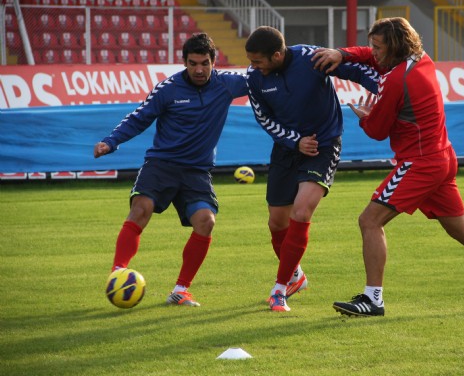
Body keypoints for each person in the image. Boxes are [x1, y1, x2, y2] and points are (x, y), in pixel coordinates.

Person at [311, 17, 464, 316]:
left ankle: (373, 299)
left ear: (395, 47)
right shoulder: (420, 59)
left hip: (420, 162)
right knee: (461, 228)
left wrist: (364, 115)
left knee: (369, 221)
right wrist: (344, 54)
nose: (372, 52)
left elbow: (376, 130)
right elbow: (369, 56)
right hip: (441, 156)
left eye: (377, 47)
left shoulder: (397, 80)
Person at [94, 33, 248, 307]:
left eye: (204, 63)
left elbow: (263, 78)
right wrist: (110, 141)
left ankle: (180, 290)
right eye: (192, 63)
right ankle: (118, 273)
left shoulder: (227, 84)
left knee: (206, 222)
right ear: (184, 62)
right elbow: (139, 117)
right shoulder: (168, 88)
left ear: (214, 61)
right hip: (161, 165)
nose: (198, 69)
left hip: (197, 171)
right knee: (141, 209)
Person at [244, 26, 380, 312]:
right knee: (276, 222)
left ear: (277, 55)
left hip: (323, 146)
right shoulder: (255, 78)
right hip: (286, 150)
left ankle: (279, 288)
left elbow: (355, 70)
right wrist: (295, 141)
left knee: (302, 211)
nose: (253, 67)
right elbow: (263, 118)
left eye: (258, 62)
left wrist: (388, 90)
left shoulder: (311, 59)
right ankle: (296, 276)